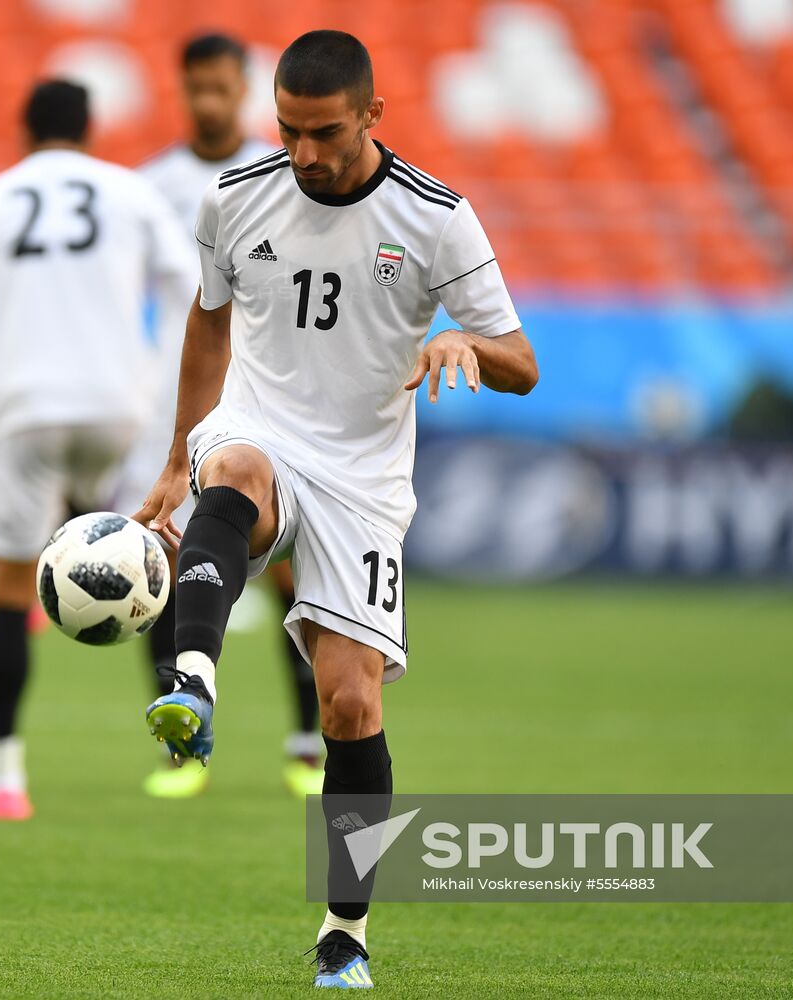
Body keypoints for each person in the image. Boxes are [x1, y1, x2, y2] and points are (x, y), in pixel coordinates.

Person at [134, 30, 537, 989]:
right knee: (231, 472)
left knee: (349, 703)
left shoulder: (437, 219)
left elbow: (523, 361)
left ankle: (345, 929)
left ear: (371, 116)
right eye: (287, 130)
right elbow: (206, 322)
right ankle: (193, 678)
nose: (303, 153)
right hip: (262, 426)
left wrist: (464, 347)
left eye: (323, 134)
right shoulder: (236, 199)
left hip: (363, 478)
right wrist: (169, 461)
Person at [0, 79, 195, 822]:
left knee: (6, 593)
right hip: (118, 410)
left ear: (23, 132)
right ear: (91, 129)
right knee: (148, 562)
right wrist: (161, 389)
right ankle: (179, 749)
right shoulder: (128, 192)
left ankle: (4, 778)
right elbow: (193, 288)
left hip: (24, 412)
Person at [123, 32, 324, 800]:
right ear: (181, 90)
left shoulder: (279, 181)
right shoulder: (152, 187)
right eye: (195, 88)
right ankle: (183, 748)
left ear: (244, 88)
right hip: (183, 398)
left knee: (292, 573)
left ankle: (306, 741)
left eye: (221, 87)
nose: (208, 101)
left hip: (273, 397)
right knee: (167, 559)